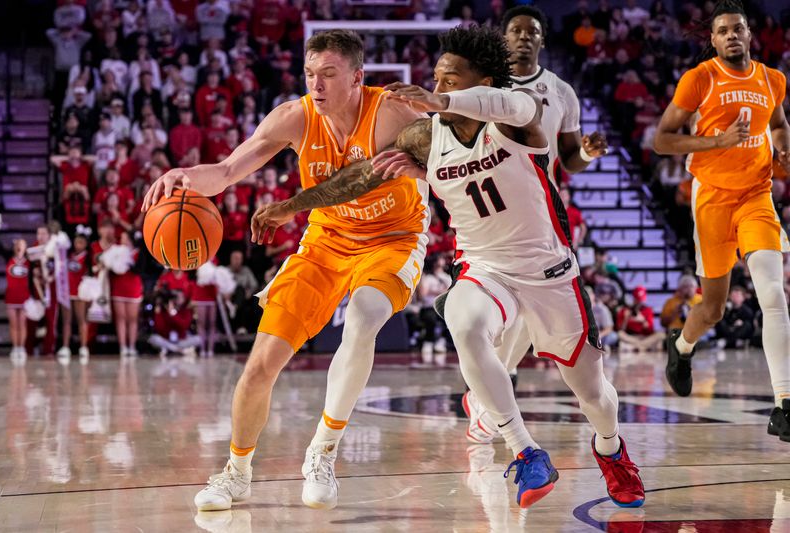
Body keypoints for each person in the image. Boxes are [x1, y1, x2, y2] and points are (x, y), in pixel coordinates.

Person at [256, 25, 643, 510]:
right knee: (462, 319)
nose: (439, 90)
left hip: (548, 272)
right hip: (485, 270)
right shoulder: (426, 135)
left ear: (484, 81)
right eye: (437, 80)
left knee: (594, 395)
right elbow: (359, 176)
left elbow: (499, 105)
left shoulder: (521, 113)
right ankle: (525, 451)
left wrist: (443, 104)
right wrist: (292, 204)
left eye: (452, 80)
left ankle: (610, 448)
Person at [142, 29, 429, 511]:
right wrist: (186, 177)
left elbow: (451, 163)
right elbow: (230, 170)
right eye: (310, 74)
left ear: (357, 78)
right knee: (260, 363)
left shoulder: (394, 114)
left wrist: (424, 171)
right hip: (325, 240)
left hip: (393, 239)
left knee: (362, 318)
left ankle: (322, 451)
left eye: (329, 75)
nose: (316, 85)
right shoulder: (294, 117)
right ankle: (235, 472)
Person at [460, 5, 610, 446]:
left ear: (542, 40)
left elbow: (569, 162)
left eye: (533, 32)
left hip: (541, 213)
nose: (524, 37)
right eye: (516, 30)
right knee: (490, 311)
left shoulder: (561, 92)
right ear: (503, 38)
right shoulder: (482, 86)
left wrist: (587, 153)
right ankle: (488, 390)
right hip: (489, 212)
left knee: (530, 310)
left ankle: (487, 395)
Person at [653, 0, 790, 444]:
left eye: (738, 28)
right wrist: (717, 141)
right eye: (723, 30)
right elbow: (662, 140)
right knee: (712, 308)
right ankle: (682, 346)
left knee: (772, 292)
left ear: (750, 34)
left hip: (756, 196)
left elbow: (780, 123)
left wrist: (783, 148)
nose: (731, 35)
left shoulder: (773, 79)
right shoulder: (700, 79)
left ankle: (784, 405)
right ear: (712, 40)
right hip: (711, 198)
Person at [67, 230, 92, 364]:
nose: (78, 245)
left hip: (81, 293)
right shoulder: (69, 255)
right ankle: (66, 347)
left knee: (82, 319)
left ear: (85, 244)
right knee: (67, 321)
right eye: (76, 242)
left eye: (81, 242)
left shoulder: (87, 257)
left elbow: (91, 274)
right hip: (68, 291)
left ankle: (83, 346)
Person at [617, 286, 664, 352]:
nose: (639, 302)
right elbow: (621, 330)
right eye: (637, 300)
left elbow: (650, 330)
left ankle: (638, 347)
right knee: (620, 334)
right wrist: (626, 318)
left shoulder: (648, 310)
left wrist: (642, 320)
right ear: (633, 298)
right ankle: (643, 347)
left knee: (661, 335)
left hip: (645, 338)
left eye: (641, 300)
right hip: (631, 337)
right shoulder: (625, 310)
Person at [5, 239, 30, 362]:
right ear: (14, 247)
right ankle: (15, 347)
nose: (19, 248)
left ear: (26, 248)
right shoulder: (8, 259)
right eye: (17, 245)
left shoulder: (29, 262)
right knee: (13, 324)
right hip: (11, 297)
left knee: (22, 324)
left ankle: (22, 347)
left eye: (22, 245)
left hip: (24, 298)